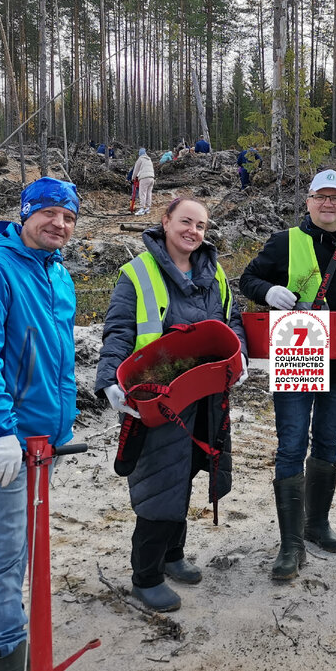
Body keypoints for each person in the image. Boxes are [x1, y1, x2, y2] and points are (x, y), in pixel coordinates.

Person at [0, 177, 81, 671]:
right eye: (50, 213)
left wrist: (63, 423)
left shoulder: (60, 276)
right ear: (25, 213)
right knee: (8, 550)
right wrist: (3, 432)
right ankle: (10, 657)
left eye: (69, 217)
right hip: (7, 443)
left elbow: (60, 358)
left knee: (32, 546)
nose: (60, 224)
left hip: (46, 441)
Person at [94, 196, 248, 613]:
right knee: (159, 482)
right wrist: (110, 377)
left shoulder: (213, 271)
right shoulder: (138, 274)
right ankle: (145, 577)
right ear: (165, 222)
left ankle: (173, 554)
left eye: (200, 226)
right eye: (185, 222)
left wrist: (242, 354)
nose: (193, 232)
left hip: (207, 396)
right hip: (158, 397)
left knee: (189, 472)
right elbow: (120, 329)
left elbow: (231, 319)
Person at [239, 169, 336, 581]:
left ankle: (316, 525)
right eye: (321, 196)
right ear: (309, 201)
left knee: (328, 442)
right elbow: (249, 277)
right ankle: (291, 543)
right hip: (296, 358)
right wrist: (267, 292)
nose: (328, 204)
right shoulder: (286, 242)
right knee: (291, 445)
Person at [131, 148, 155, 216]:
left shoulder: (140, 159)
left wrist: (133, 178)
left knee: (142, 193)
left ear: (139, 154)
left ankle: (142, 208)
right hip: (152, 178)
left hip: (144, 178)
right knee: (149, 193)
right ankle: (147, 208)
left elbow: (136, 170)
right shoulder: (149, 159)